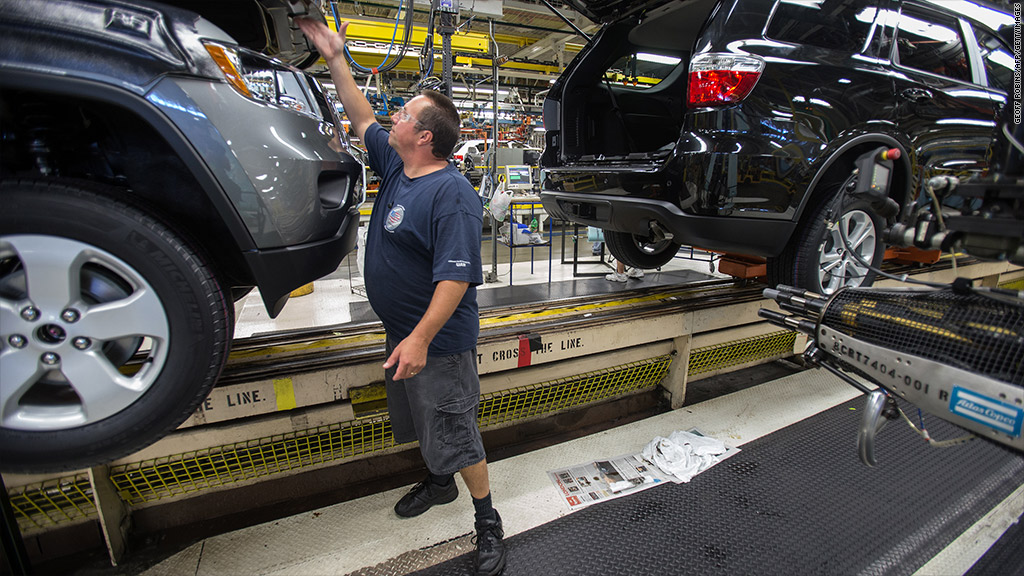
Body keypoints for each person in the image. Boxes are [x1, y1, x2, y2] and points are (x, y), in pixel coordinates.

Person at [297, 18, 506, 576]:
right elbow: (362, 114)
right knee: (419, 420)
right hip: (403, 336)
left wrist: (418, 338)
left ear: (425, 137)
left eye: (406, 114)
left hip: (434, 343)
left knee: (456, 428)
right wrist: (336, 56)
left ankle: (487, 521)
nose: (396, 116)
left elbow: (455, 279)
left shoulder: (452, 193)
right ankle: (439, 484)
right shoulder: (396, 166)